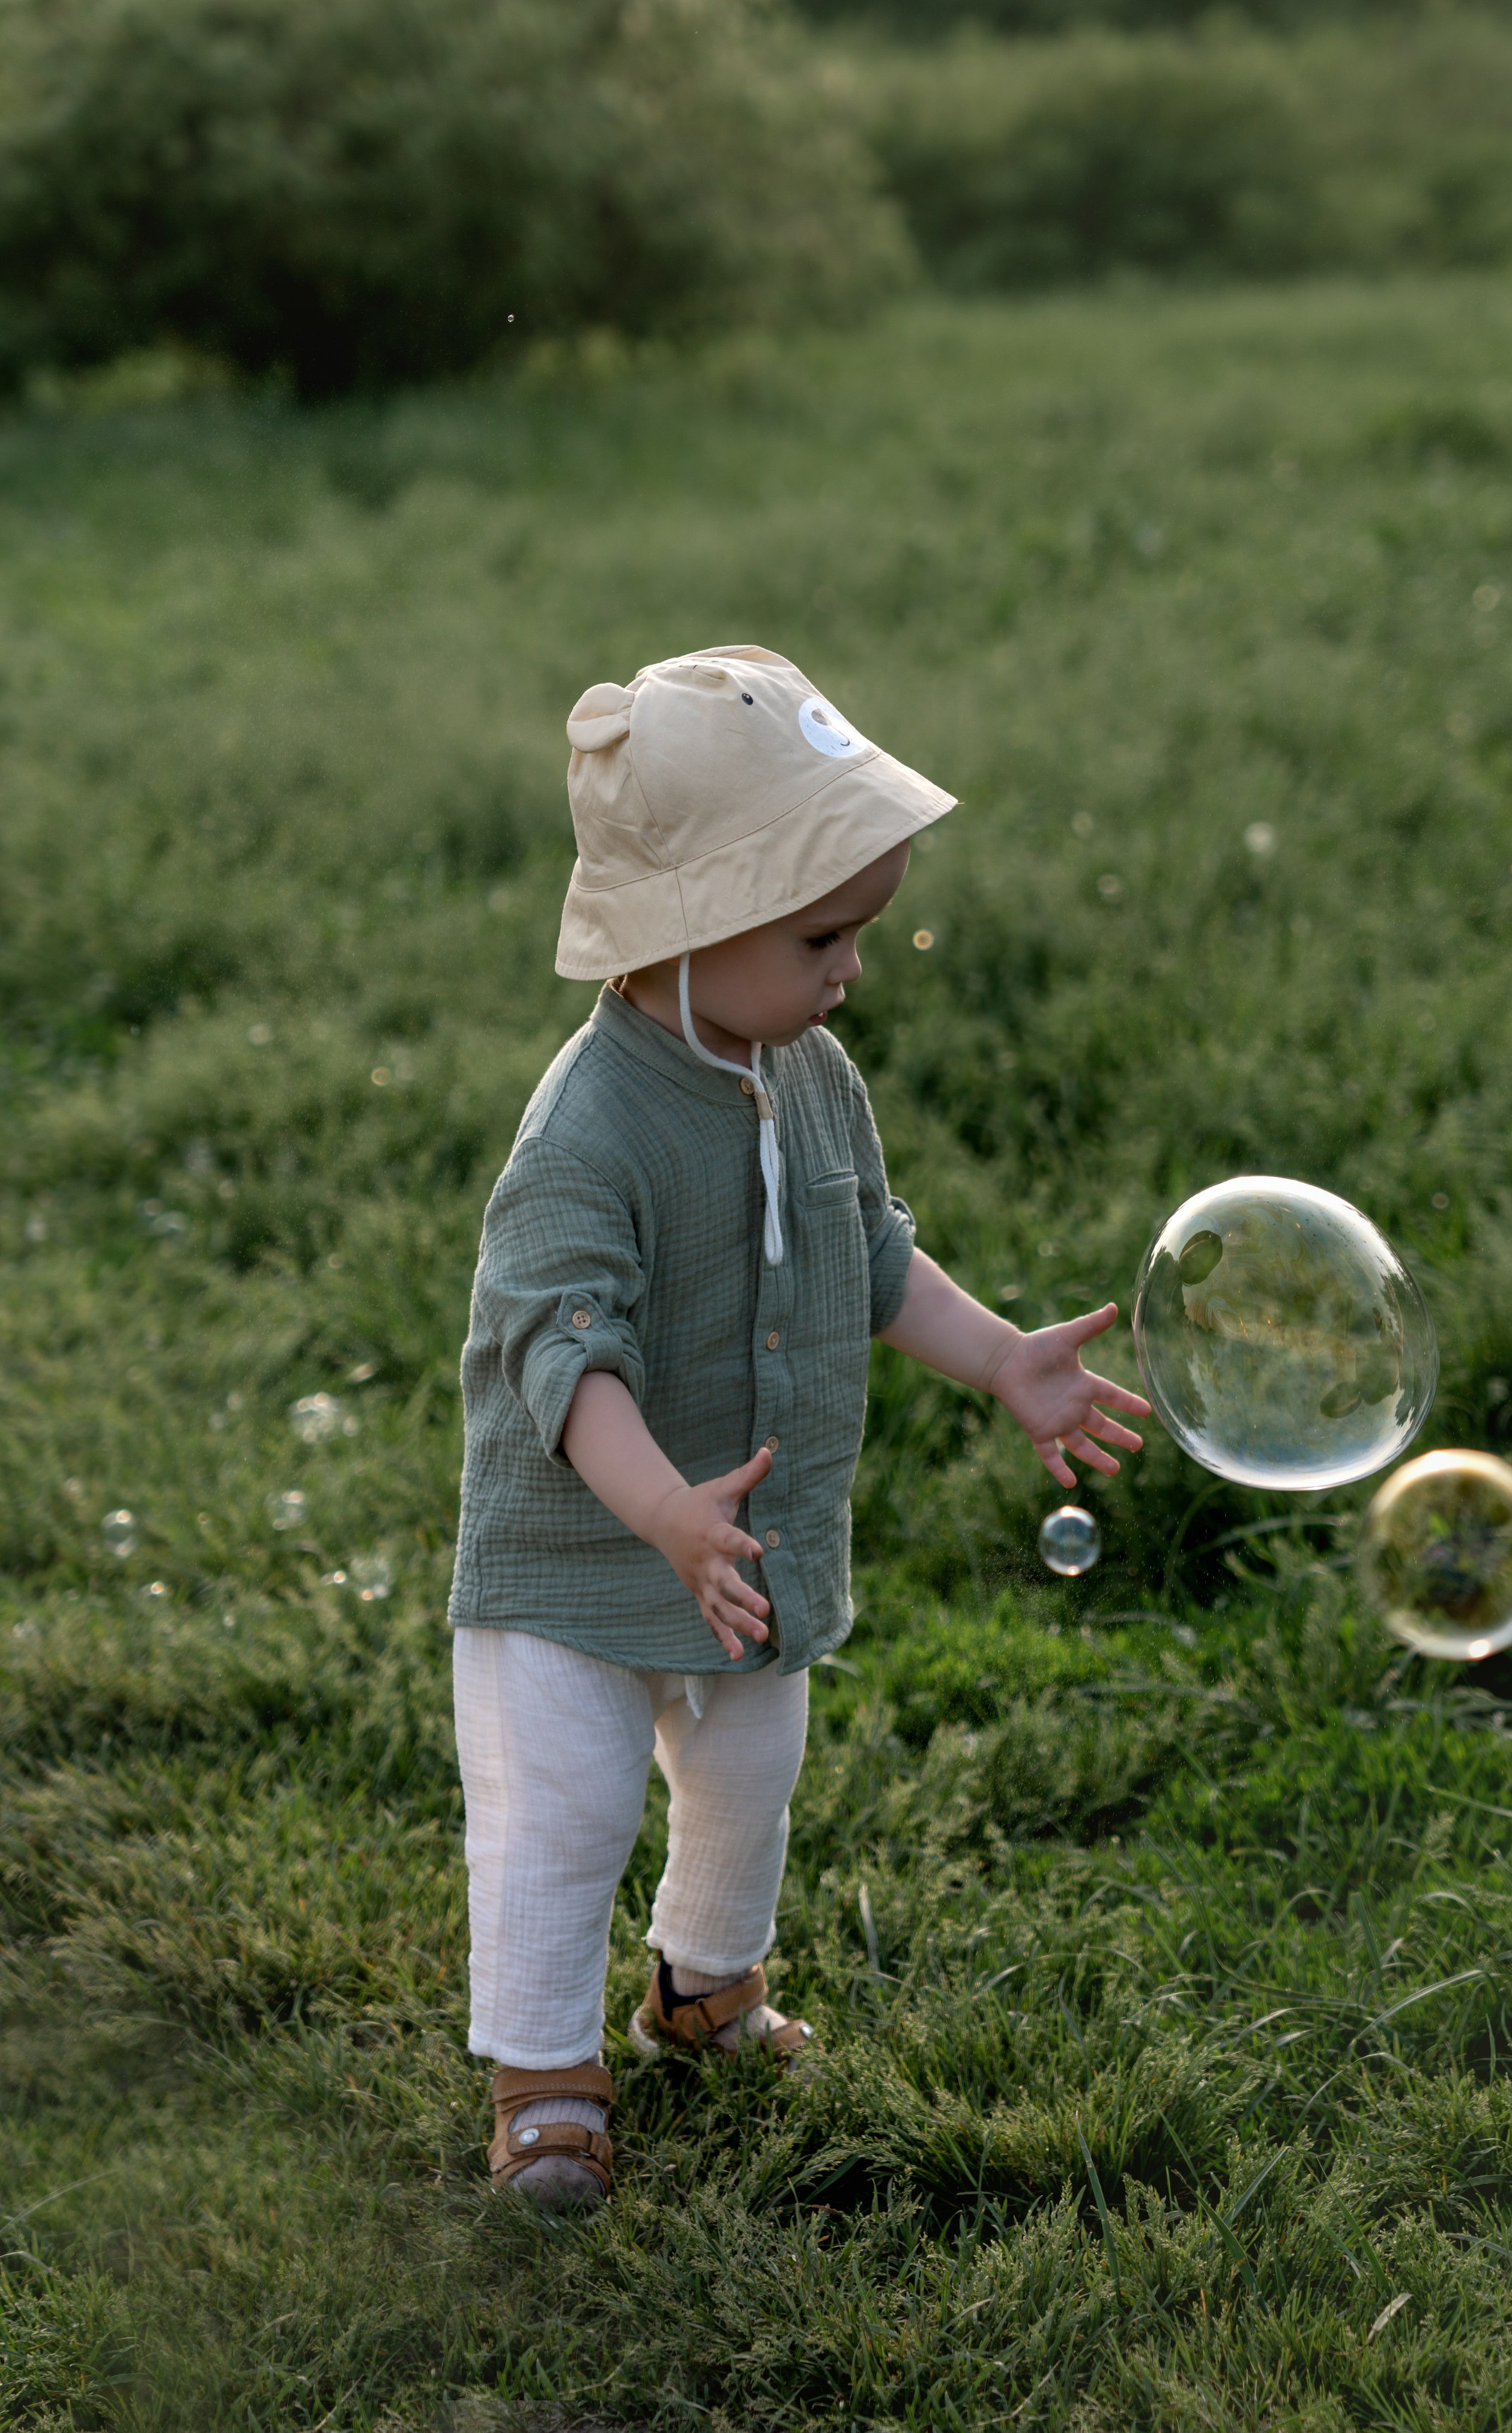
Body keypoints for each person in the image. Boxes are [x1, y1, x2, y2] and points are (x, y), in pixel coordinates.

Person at [450, 646, 1150, 2207]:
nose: (853, 969)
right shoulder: (587, 1131)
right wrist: (663, 1516)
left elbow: (868, 1248)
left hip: (743, 1547)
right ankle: (545, 2075)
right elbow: (564, 1358)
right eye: (825, 934)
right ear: (692, 924)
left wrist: (998, 1361)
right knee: (565, 1810)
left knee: (747, 1764)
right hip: (581, 1549)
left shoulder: (807, 1072)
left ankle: (705, 1985)